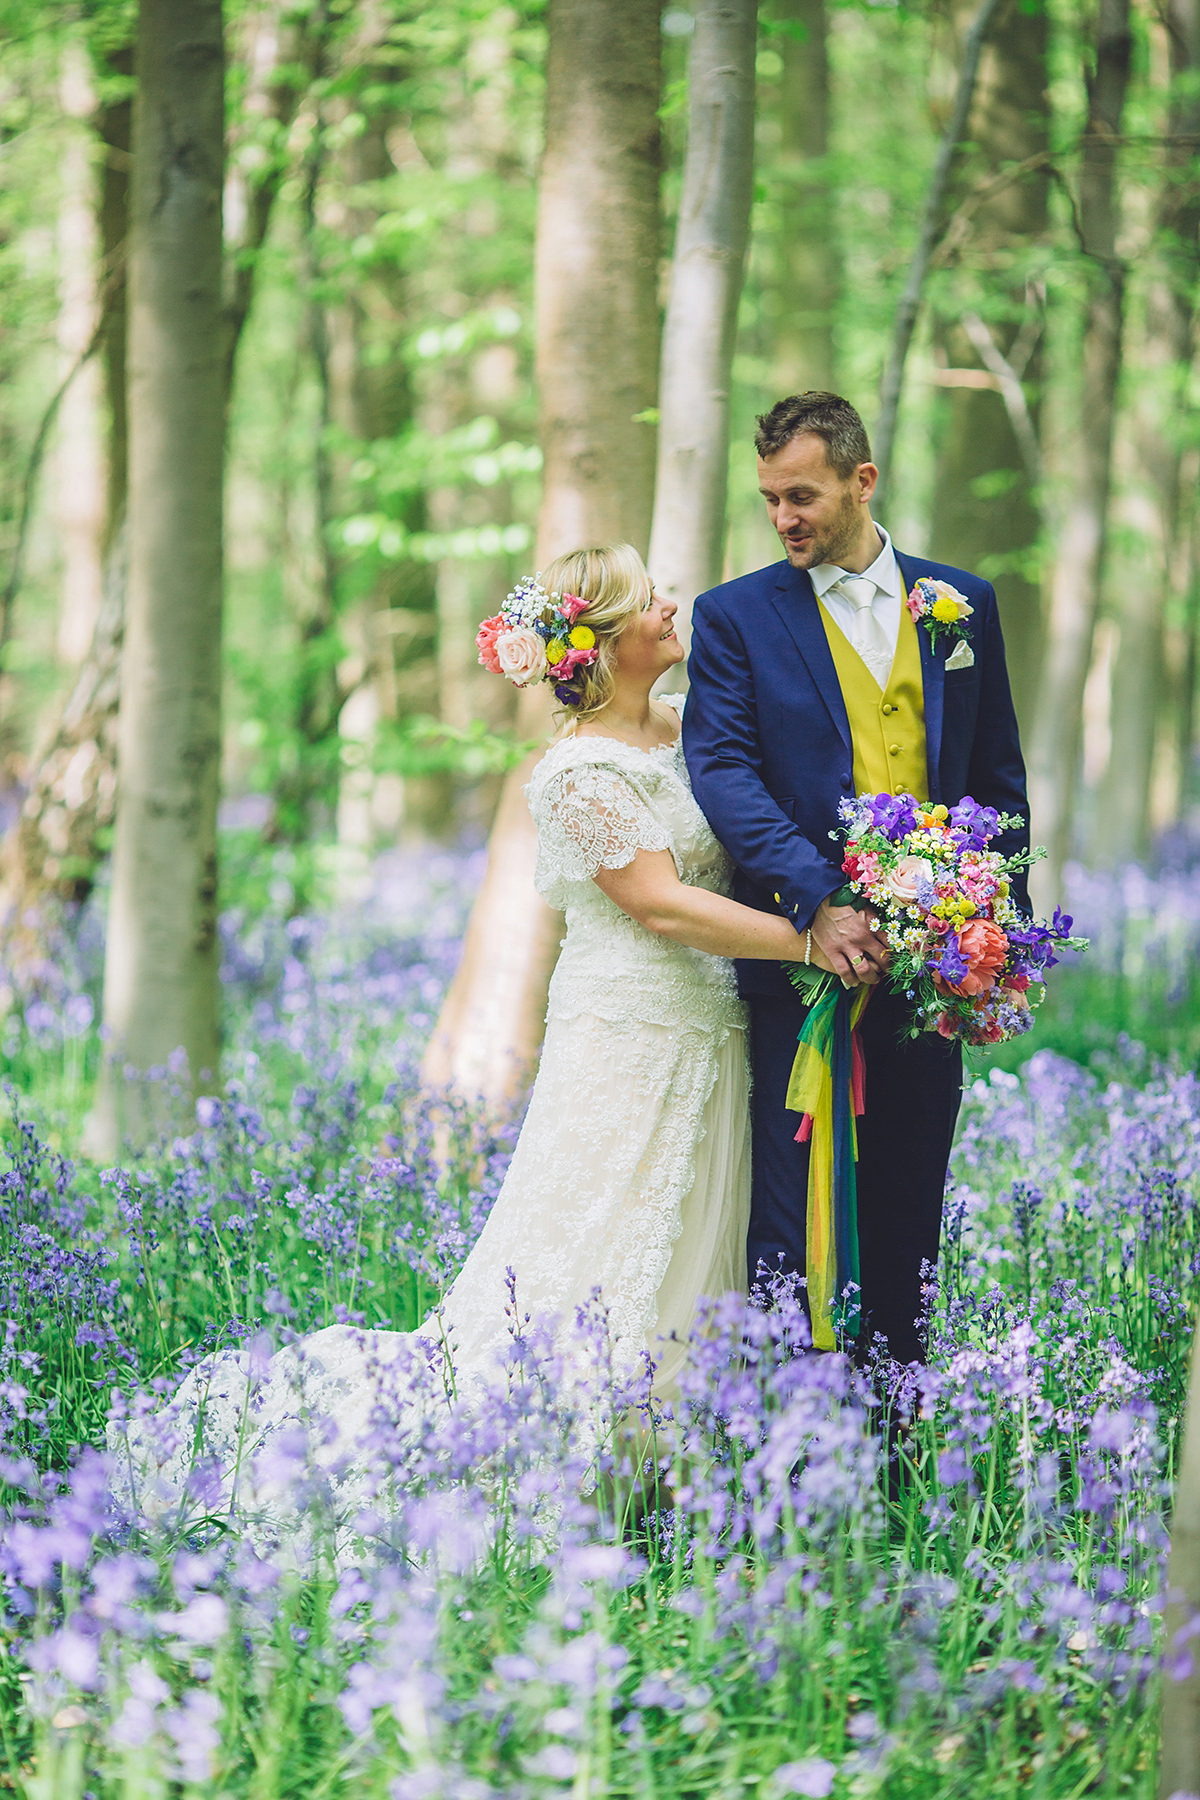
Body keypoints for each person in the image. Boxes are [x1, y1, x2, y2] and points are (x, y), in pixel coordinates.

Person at [116, 543, 831, 1527]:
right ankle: (549, 1453)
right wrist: (812, 940)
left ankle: (659, 1467)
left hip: (712, 1027)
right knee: (602, 1233)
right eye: (649, 599)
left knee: (692, 1233)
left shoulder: (687, 731)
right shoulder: (575, 775)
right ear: (611, 641)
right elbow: (663, 907)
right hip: (625, 1036)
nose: (675, 604)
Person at [684, 392, 1030, 1366]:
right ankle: (796, 1451)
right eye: (770, 500)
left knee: (910, 1210)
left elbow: (997, 781)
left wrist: (996, 940)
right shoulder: (734, 619)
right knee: (797, 1228)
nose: (784, 516)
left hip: (934, 975)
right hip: (800, 970)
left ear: (861, 481)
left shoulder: (959, 605)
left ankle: (897, 1442)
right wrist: (818, 903)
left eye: (802, 494)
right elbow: (724, 773)